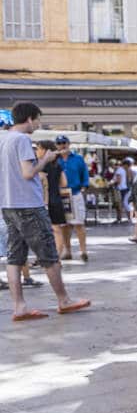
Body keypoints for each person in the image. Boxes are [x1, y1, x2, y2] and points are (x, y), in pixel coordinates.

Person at [0, 103, 90, 321]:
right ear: (30, 119)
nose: (38, 124)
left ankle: (19, 306)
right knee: (48, 254)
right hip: (28, 204)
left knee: (15, 256)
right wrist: (46, 160)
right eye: (38, 120)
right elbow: (28, 173)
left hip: (8, 204)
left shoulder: (2, 138)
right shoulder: (21, 140)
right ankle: (64, 300)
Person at [56, 135, 89, 261]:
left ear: (68, 143)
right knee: (64, 225)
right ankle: (67, 250)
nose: (62, 145)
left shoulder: (78, 159)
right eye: (59, 143)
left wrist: (84, 186)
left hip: (75, 193)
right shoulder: (55, 159)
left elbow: (84, 173)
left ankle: (83, 251)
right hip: (60, 194)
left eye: (64, 142)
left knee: (79, 223)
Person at [36, 140, 69, 257]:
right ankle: (58, 257)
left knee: (42, 231)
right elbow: (64, 183)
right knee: (57, 229)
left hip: (42, 201)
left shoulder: (39, 166)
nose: (36, 151)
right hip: (56, 199)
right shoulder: (57, 165)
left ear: (45, 150)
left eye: (38, 148)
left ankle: (43, 257)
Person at [111, 157, 131, 224]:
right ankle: (122, 219)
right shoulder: (122, 170)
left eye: (113, 166)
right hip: (123, 189)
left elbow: (118, 181)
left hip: (121, 189)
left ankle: (121, 219)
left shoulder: (119, 170)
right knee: (123, 204)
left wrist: (111, 183)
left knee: (121, 205)